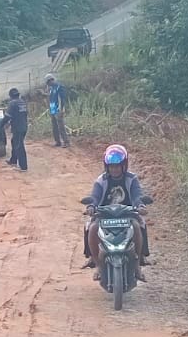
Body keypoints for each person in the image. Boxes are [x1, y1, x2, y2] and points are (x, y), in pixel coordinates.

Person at [83, 143, 150, 279]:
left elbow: (137, 195)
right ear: (107, 167)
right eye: (112, 166)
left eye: (117, 166)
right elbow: (95, 196)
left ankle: (138, 263)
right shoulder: (101, 180)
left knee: (138, 226)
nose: (115, 169)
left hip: (128, 214)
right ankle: (96, 263)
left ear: (123, 166)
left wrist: (140, 205)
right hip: (104, 215)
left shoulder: (132, 179)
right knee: (92, 227)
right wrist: (91, 206)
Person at [4, 87, 29, 171]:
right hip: (24, 126)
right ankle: (13, 160)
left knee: (19, 146)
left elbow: (7, 117)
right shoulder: (22, 102)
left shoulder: (12, 103)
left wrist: (1, 125)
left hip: (18, 128)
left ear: (11, 96)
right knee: (14, 141)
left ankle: (23, 167)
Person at [46, 76, 70, 148]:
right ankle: (57, 141)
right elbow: (51, 99)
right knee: (54, 127)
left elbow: (62, 99)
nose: (48, 84)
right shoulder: (51, 89)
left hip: (58, 110)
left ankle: (66, 142)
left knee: (61, 126)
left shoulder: (59, 87)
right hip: (53, 110)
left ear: (51, 80)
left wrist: (61, 109)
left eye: (48, 82)